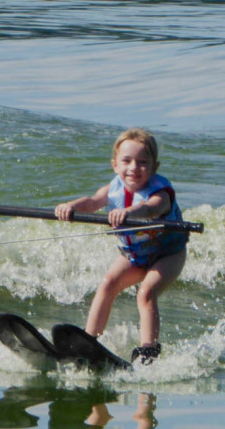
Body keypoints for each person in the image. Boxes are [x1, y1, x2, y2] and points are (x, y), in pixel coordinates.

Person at [54, 128, 188, 365]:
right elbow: (92, 202)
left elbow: (152, 208)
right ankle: (89, 340)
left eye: (142, 162)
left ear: (154, 167)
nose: (134, 167)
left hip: (168, 253)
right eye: (126, 161)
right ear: (115, 165)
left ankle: (148, 351)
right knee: (108, 284)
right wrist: (70, 206)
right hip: (135, 254)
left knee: (146, 292)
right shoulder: (113, 189)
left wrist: (128, 212)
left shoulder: (161, 192)